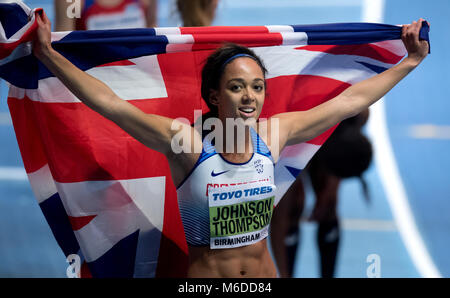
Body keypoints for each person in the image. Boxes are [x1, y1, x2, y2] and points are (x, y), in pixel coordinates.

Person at [32, 10, 429, 277]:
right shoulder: (186, 145)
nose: (249, 97)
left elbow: (350, 100)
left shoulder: (273, 137)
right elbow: (110, 103)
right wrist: (49, 56)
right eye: (237, 87)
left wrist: (408, 62)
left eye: (257, 87)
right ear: (215, 96)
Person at [270, 109, 373, 278]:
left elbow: (338, 162)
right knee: (291, 206)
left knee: (328, 206)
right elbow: (279, 218)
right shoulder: (287, 129)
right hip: (292, 129)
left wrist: (329, 192)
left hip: (329, 128)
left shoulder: (358, 115)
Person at [54, 0, 158, 31]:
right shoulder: (72, 2)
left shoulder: (146, 2)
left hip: (135, 74)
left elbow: (153, 36)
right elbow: (62, 45)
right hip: (90, 76)